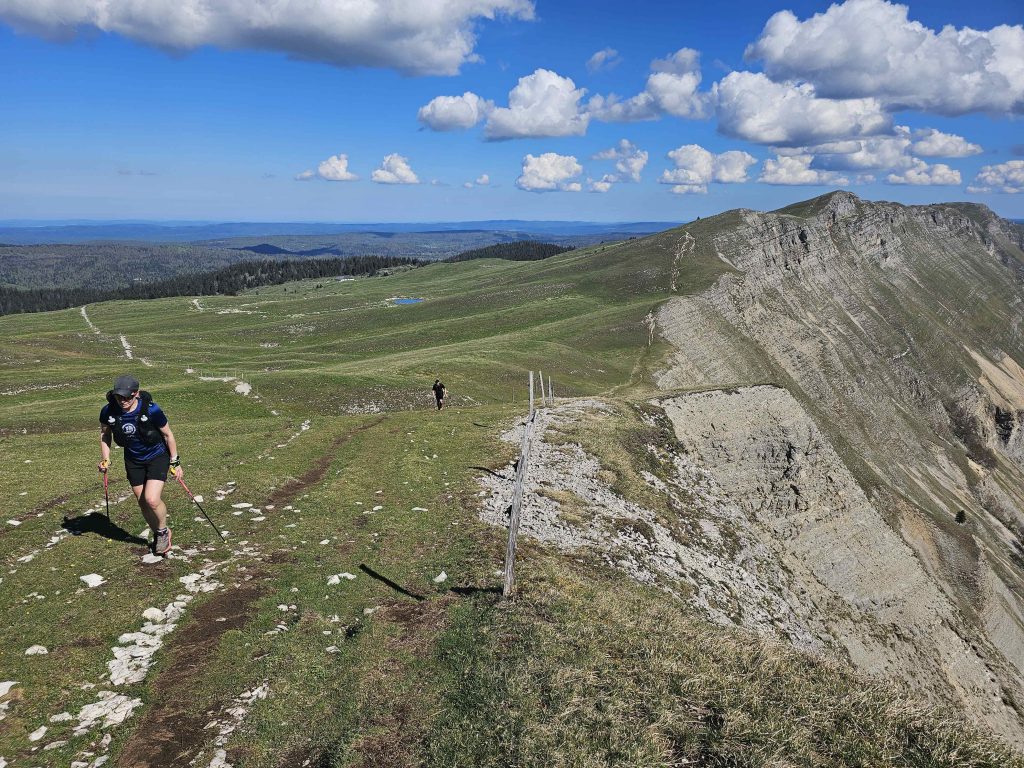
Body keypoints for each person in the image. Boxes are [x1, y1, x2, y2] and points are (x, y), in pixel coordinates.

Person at [98, 375, 181, 555]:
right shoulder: (108, 411)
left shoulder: (152, 410)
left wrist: (175, 461)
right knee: (142, 502)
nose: (123, 401)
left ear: (136, 393)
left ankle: (163, 530)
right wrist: (106, 458)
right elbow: (105, 435)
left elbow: (168, 435)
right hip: (133, 459)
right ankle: (160, 534)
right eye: (119, 397)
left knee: (151, 499)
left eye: (127, 397)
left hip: (157, 456)